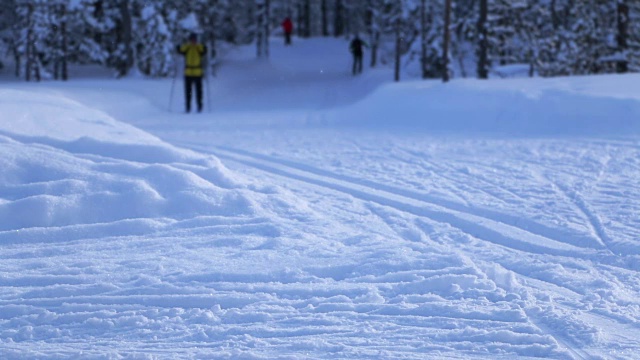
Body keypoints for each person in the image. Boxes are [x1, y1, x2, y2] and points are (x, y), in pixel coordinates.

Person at [176, 33, 207, 113]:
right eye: (192, 40)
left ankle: (200, 107)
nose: (193, 41)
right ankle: (188, 107)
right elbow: (180, 51)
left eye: (194, 40)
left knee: (199, 91)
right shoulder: (187, 48)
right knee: (188, 91)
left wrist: (204, 46)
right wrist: (178, 47)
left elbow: (204, 51)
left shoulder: (198, 47)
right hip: (188, 72)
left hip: (197, 72)